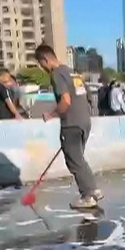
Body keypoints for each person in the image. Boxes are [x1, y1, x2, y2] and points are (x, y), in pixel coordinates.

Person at [34, 44, 103, 210]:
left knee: (74, 160)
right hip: (84, 121)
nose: (42, 68)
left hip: (71, 123)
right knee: (79, 158)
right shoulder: (73, 73)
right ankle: (93, 189)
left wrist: (51, 115)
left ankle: (88, 196)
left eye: (41, 64)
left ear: (45, 59)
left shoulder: (57, 74)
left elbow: (65, 100)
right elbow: (87, 99)